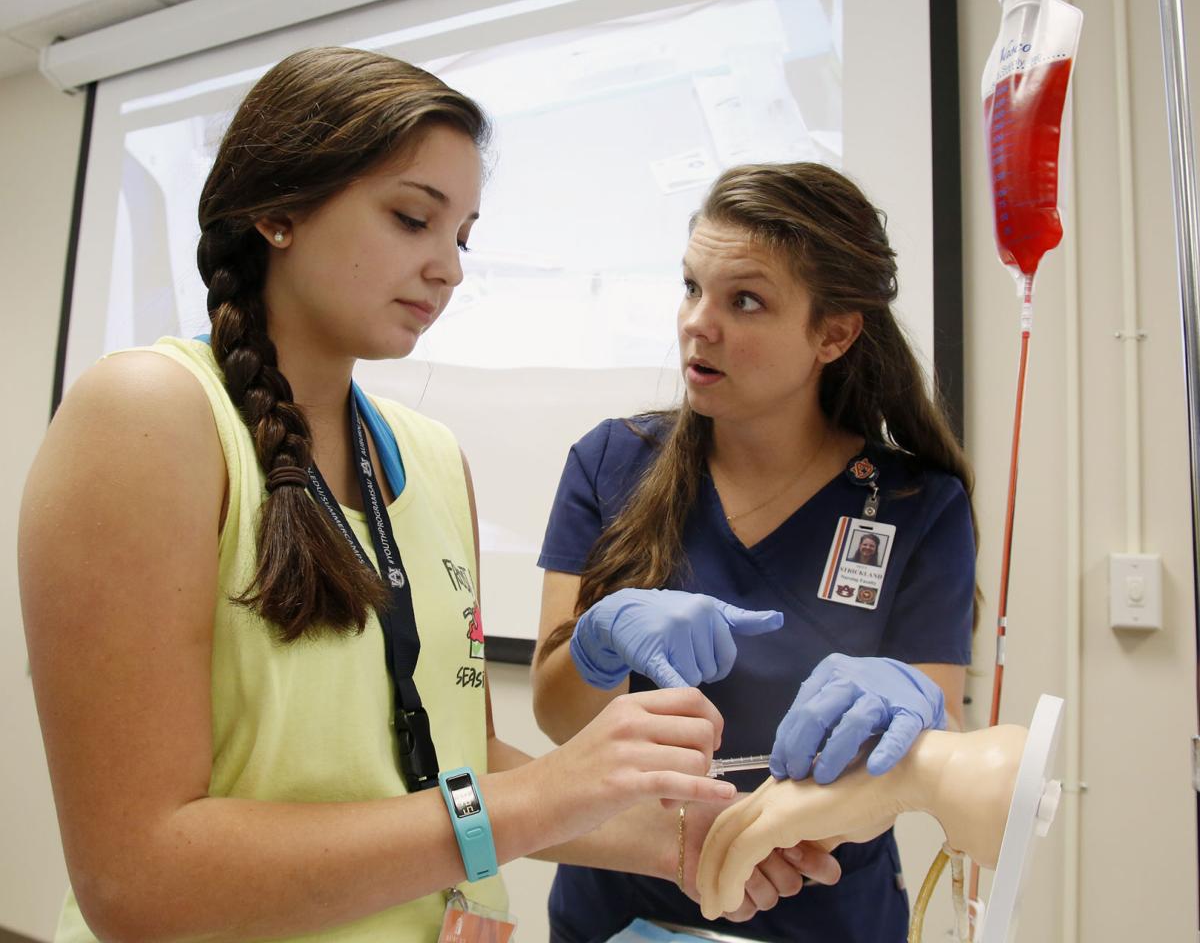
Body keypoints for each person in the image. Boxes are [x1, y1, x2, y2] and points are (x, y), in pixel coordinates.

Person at [17, 48, 834, 943]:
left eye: (463, 237)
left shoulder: (433, 458)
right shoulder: (148, 417)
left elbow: (460, 757)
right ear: (278, 211)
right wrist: (533, 802)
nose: (448, 267)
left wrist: (678, 837)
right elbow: (138, 881)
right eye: (413, 219)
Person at [531, 163, 977, 942]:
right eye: (691, 286)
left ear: (833, 334)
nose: (698, 323)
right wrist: (597, 644)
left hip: (823, 914)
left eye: (745, 300)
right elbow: (559, 720)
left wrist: (898, 726)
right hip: (618, 911)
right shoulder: (611, 463)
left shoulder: (914, 505)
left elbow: (921, 757)